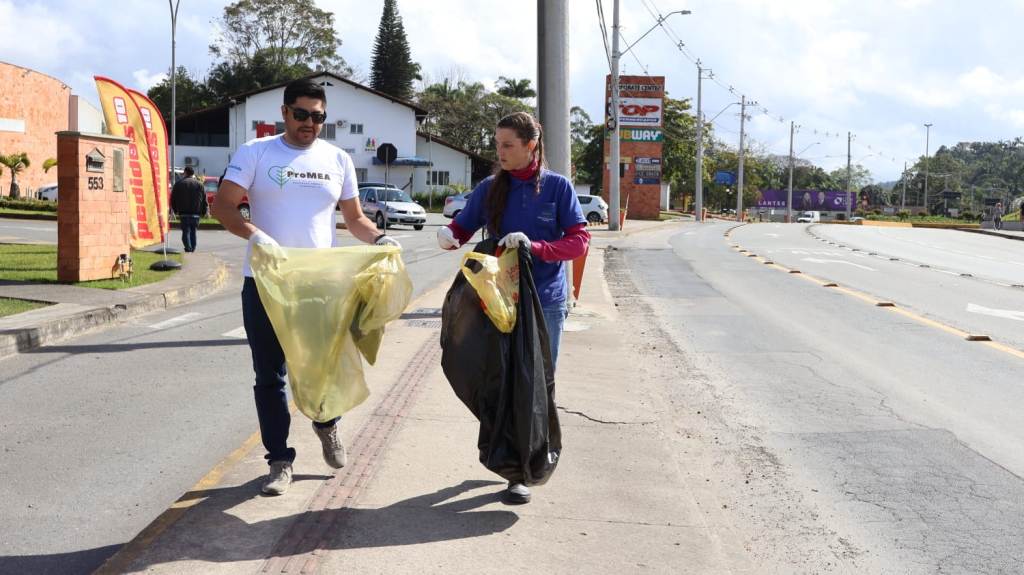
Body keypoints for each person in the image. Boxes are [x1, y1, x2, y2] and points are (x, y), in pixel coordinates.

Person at [213, 78, 401, 496]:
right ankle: (279, 461)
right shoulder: (256, 152)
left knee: (321, 367)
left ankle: (326, 423)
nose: (309, 124)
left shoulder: (338, 159)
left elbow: (354, 220)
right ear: (284, 112)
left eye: (318, 117)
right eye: (301, 114)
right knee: (269, 375)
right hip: (265, 283)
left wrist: (379, 239)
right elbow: (223, 205)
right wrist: (254, 235)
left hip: (320, 285)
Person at [436, 111, 589, 505]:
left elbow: (578, 242)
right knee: (499, 382)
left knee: (536, 385)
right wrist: (449, 235)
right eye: (497, 144)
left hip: (546, 304)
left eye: (508, 145)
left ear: (531, 145)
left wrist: (536, 247)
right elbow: (463, 226)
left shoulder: (557, 188)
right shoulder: (490, 188)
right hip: (498, 302)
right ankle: (507, 458)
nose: (499, 152)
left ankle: (524, 469)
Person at [170, 166, 207, 252]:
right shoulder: (200, 184)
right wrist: (204, 211)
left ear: (185, 173)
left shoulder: (179, 184)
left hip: (183, 213)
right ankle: (192, 247)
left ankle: (188, 247)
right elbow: (204, 199)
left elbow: (173, 199)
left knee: (186, 231)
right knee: (193, 231)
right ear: (193, 173)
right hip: (196, 213)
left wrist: (175, 210)